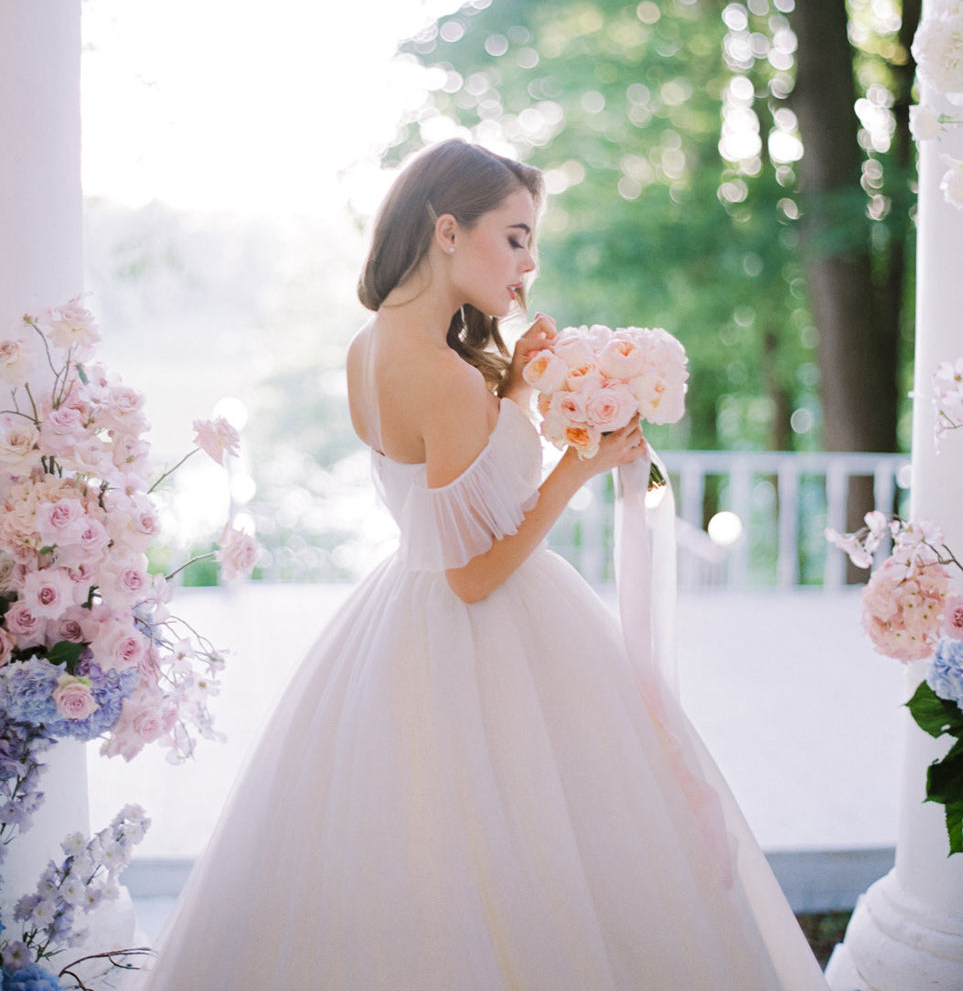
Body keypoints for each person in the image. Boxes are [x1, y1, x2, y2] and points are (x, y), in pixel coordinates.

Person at [137, 139, 829, 989]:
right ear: (447, 231)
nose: (529, 261)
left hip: (401, 614)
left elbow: (444, 500)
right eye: (516, 236)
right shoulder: (441, 375)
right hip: (486, 629)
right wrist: (576, 469)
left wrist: (523, 388)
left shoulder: (372, 348)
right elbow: (472, 573)